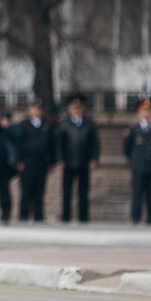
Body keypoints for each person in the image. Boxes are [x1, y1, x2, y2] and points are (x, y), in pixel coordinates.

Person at [56, 95, 99, 223]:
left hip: (84, 162)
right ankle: (66, 216)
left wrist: (94, 158)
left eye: (78, 108)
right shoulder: (64, 124)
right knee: (67, 191)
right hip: (68, 162)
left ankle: (83, 216)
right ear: (69, 109)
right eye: (74, 108)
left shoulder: (89, 124)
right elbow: (59, 144)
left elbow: (94, 143)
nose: (76, 110)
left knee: (83, 192)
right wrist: (60, 158)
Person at [13, 101, 54, 223]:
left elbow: (51, 144)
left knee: (39, 191)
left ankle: (38, 216)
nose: (35, 111)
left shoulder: (46, 125)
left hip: (41, 162)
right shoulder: (23, 125)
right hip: (27, 162)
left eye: (38, 109)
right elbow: (18, 144)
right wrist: (19, 160)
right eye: (33, 109)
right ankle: (23, 216)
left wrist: (51, 161)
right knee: (26, 191)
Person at [121, 99, 151, 225]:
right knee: (137, 192)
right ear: (139, 112)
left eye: (148, 110)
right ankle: (135, 217)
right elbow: (126, 148)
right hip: (138, 166)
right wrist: (133, 161)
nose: (146, 112)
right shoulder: (133, 129)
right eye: (144, 110)